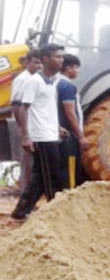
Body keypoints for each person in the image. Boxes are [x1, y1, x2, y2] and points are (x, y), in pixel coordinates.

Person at [11, 44, 65, 220]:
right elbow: (23, 109)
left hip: (50, 133)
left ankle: (21, 212)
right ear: (46, 59)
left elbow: (45, 109)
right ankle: (56, 212)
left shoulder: (53, 81)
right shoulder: (34, 82)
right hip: (41, 137)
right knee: (52, 177)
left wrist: (57, 128)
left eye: (62, 56)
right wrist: (26, 136)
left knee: (40, 177)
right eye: (57, 57)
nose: (61, 60)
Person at [10, 49, 43, 191]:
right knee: (27, 161)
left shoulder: (35, 79)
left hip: (31, 126)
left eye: (41, 63)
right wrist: (24, 131)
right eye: (35, 63)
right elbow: (17, 105)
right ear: (27, 63)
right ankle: (25, 193)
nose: (39, 66)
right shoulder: (24, 79)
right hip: (26, 127)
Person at [56, 54, 89, 189]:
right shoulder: (67, 86)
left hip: (60, 134)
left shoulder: (55, 83)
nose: (77, 71)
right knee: (69, 173)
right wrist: (80, 136)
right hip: (68, 136)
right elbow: (70, 111)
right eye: (76, 67)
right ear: (69, 68)